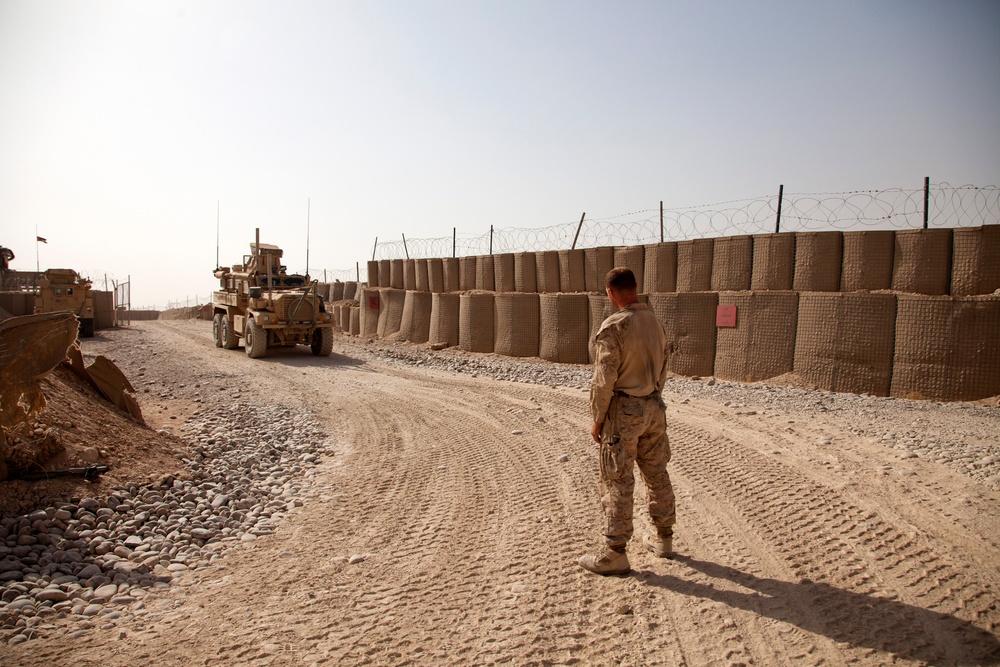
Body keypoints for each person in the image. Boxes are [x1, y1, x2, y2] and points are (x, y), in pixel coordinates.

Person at [579, 267, 676, 576]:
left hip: (625, 413)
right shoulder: (655, 323)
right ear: (635, 288)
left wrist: (597, 418)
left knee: (618, 479)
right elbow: (663, 369)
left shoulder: (615, 325)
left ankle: (615, 552)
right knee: (657, 473)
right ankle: (664, 538)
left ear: (611, 293)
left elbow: (603, 379)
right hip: (654, 407)